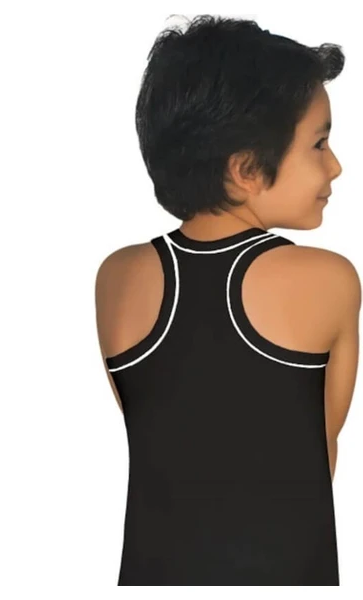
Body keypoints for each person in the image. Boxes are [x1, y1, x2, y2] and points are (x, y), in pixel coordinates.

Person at [94, 15, 360, 585]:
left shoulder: (116, 277)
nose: (335, 165)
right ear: (245, 169)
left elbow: (173, 440)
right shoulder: (329, 279)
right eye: (319, 143)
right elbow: (318, 458)